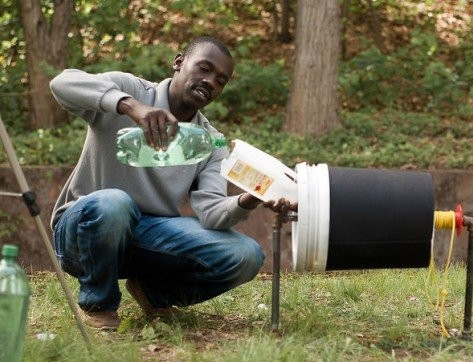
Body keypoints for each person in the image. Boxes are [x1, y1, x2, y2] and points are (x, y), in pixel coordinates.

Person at [49, 36, 292, 331]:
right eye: (204, 68)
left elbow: (212, 213)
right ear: (178, 63)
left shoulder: (211, 142)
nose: (210, 81)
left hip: (147, 237)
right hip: (83, 233)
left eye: (221, 80)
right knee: (114, 203)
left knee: (246, 255)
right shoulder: (130, 90)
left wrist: (250, 198)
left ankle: (154, 293)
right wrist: (129, 107)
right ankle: (98, 303)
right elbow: (62, 83)